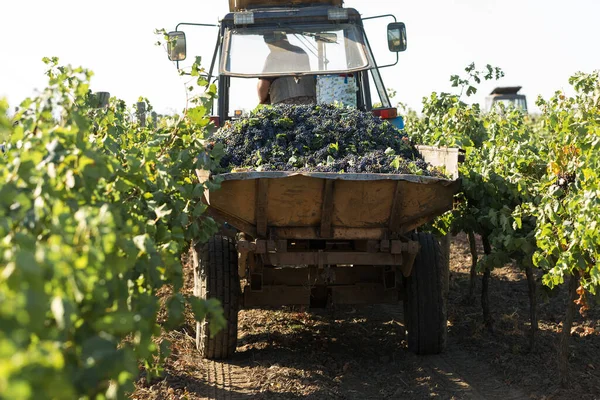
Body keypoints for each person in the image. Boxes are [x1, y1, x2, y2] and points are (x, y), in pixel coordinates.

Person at [257, 32, 316, 105]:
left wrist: (261, 101)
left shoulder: (273, 57)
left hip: (284, 105)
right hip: (309, 102)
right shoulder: (300, 52)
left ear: (279, 41)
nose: (269, 46)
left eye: (270, 44)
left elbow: (263, 85)